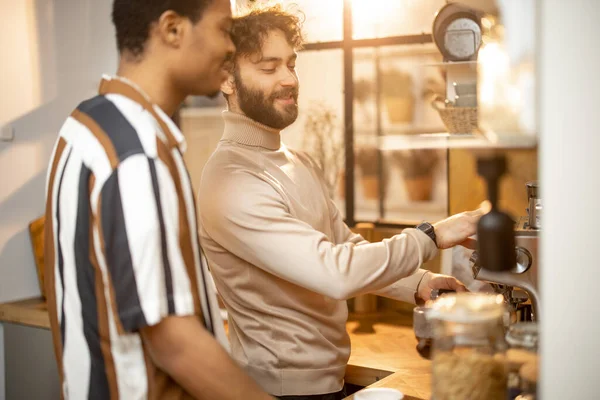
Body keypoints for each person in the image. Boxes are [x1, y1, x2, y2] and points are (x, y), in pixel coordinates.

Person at [197, 4, 485, 399]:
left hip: (327, 380)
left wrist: (421, 282)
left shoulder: (298, 161)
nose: (289, 79)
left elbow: (346, 248)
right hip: (279, 390)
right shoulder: (230, 181)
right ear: (228, 79)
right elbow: (336, 273)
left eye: (291, 64)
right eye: (268, 68)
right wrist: (431, 236)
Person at [43, 1, 273, 398]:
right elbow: (172, 342)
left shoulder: (85, 124)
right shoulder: (138, 153)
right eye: (223, 29)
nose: (231, 47)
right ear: (172, 30)